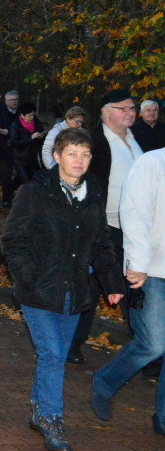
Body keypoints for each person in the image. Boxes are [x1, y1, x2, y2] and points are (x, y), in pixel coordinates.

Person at [1, 129, 124, 451]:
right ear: (57, 156)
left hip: (75, 291)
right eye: (72, 153)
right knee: (53, 354)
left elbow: (101, 242)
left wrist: (113, 284)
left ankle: (39, 408)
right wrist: (29, 278)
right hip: (39, 291)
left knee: (51, 356)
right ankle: (53, 420)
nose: (79, 161)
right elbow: (12, 241)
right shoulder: (35, 191)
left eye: (85, 154)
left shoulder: (93, 191)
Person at [90, 144, 165, 434]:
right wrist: (137, 262)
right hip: (152, 271)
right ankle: (105, 382)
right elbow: (133, 213)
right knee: (153, 343)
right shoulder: (152, 163)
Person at [70, 90, 143, 364]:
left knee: (135, 286)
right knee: (92, 286)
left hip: (136, 230)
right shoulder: (94, 142)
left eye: (132, 108)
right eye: (123, 108)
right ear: (106, 111)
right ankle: (73, 343)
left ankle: (149, 348)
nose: (130, 113)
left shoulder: (139, 140)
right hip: (104, 226)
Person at [7, 101, 46, 189]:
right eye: (29, 116)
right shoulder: (15, 125)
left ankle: (9, 193)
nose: (32, 118)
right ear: (22, 115)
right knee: (27, 183)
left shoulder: (37, 122)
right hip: (20, 159)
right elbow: (14, 142)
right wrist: (30, 139)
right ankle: (15, 197)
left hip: (34, 158)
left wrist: (41, 136)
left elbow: (41, 135)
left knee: (28, 180)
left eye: (33, 115)